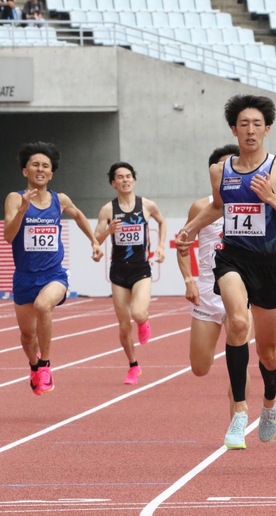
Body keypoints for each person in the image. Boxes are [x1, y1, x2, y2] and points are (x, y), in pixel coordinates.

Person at [175, 94, 276, 449]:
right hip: (232, 257)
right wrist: (191, 228)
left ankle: (269, 401)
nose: (250, 130)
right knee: (237, 322)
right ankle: (238, 411)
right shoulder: (220, 171)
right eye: (243, 124)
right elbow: (217, 209)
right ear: (233, 129)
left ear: (267, 130)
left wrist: (272, 199)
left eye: (257, 124)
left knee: (269, 352)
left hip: (269, 263)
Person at [5, 142, 103, 395]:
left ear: (51, 174)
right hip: (25, 277)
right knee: (27, 337)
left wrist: (94, 240)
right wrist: (22, 212)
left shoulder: (60, 200)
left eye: (45, 166)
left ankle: (46, 364)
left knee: (43, 306)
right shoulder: (15, 198)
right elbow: (8, 236)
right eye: (35, 164)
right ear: (25, 171)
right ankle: (34, 366)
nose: (40, 169)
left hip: (54, 275)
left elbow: (79, 215)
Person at [177, 144, 252, 419]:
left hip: (241, 291)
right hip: (208, 294)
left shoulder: (253, 201)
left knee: (239, 360)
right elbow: (182, 243)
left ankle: (238, 416)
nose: (229, 172)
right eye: (223, 168)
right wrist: (188, 280)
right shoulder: (201, 206)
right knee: (200, 367)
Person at [94, 162, 167, 385]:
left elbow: (161, 221)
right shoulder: (108, 209)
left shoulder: (146, 205)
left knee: (138, 313)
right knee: (124, 324)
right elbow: (96, 240)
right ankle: (133, 366)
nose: (125, 180)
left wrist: (161, 246)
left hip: (141, 269)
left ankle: (144, 323)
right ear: (113, 183)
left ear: (133, 180)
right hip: (118, 271)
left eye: (128, 176)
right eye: (120, 177)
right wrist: (109, 230)